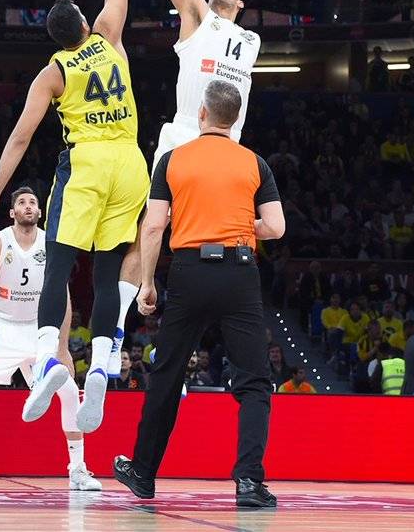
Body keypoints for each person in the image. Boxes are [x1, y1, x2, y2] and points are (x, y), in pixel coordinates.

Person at [0, 0, 154, 435]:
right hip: (132, 164)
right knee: (105, 273)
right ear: (82, 22)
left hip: (88, 165)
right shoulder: (109, 37)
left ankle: (51, 362)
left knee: (57, 269)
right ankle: (100, 366)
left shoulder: (52, 72)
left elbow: (21, 138)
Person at [93, 0, 263, 388]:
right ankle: (122, 327)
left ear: (240, 4)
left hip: (229, 147)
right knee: (152, 225)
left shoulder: (251, 41)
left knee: (235, 242)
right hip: (187, 133)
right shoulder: (197, 17)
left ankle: (230, 358)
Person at [113, 80, 285, 509]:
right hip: (240, 272)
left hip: (188, 271)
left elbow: (152, 227)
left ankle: (144, 473)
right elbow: (277, 227)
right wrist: (244, 229)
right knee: (254, 380)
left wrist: (148, 282)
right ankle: (248, 480)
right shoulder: (255, 163)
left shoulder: (172, 160)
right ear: (234, 120)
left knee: (167, 374)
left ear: (203, 115)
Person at [0, 187, 100, 492]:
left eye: (33, 203)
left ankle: (78, 469)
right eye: (22, 203)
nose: (28, 206)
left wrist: (62, 347)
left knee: (68, 391)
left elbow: (62, 297)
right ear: (12, 212)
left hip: (39, 328)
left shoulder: (51, 245)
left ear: (40, 213)